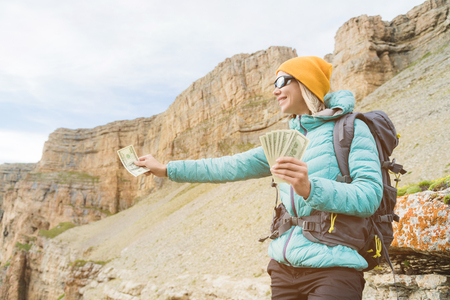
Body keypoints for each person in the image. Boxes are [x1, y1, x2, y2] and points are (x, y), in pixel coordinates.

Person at [134, 56, 383, 300]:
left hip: (334, 270)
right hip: (283, 271)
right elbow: (227, 166)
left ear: (305, 83)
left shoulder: (350, 129)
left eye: (281, 82)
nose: (275, 91)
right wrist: (167, 169)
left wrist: (310, 188)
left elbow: (369, 196)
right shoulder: (285, 141)